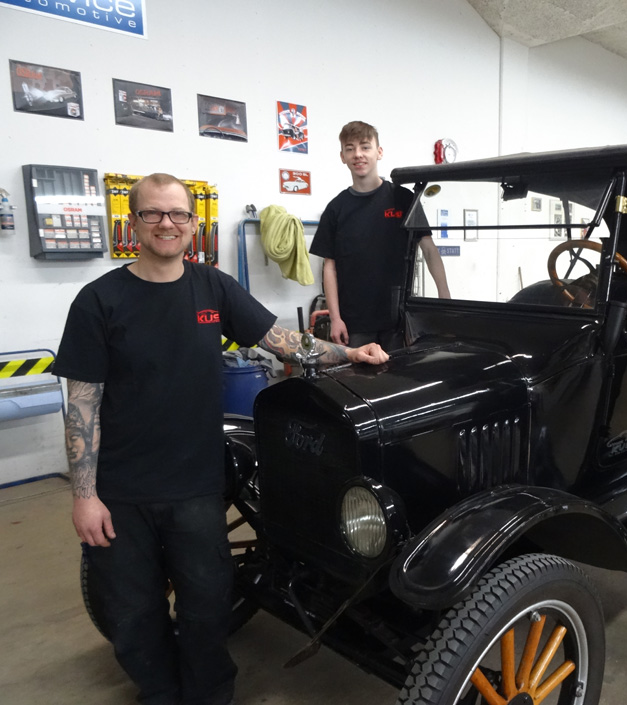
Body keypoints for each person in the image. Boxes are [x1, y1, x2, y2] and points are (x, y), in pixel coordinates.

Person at [54, 172, 388, 705]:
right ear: (133, 221)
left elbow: (284, 342)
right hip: (121, 491)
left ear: (192, 223)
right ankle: (160, 693)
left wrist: (349, 353)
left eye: (178, 214)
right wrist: (84, 495)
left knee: (207, 608)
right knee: (133, 617)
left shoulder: (213, 288)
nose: (167, 224)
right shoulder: (99, 301)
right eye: (153, 214)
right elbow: (83, 406)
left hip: (196, 487)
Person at [309, 120, 450, 349]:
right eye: (350, 148)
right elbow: (329, 267)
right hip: (354, 324)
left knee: (400, 378)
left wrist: (445, 298)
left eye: (365, 147)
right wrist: (335, 319)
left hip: (399, 319)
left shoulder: (403, 200)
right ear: (342, 156)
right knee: (359, 382)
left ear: (379, 152)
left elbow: (429, 249)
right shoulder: (336, 209)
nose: (358, 154)